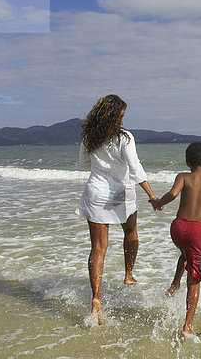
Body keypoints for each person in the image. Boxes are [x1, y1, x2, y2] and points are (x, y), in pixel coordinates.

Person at [76, 94, 159, 325]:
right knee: (130, 233)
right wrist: (151, 195)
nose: (123, 119)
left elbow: (83, 164)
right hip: (122, 192)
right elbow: (135, 167)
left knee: (98, 248)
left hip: (96, 192)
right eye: (121, 115)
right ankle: (128, 274)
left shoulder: (89, 137)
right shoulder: (125, 138)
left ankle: (96, 298)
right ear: (114, 115)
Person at [154, 142, 201, 337]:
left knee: (185, 251)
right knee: (194, 279)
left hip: (178, 227)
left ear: (187, 162)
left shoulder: (183, 177)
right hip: (198, 231)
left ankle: (174, 283)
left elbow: (172, 193)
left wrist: (158, 203)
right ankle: (187, 327)